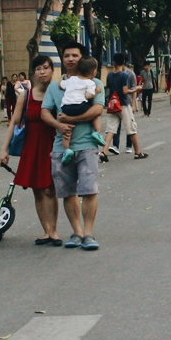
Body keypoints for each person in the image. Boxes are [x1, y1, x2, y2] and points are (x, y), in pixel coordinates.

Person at [43, 41, 106, 250]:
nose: (70, 59)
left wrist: (71, 118)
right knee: (67, 192)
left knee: (89, 190)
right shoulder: (55, 86)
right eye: (66, 55)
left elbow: (97, 109)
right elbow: (45, 112)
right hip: (61, 147)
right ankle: (77, 232)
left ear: (83, 59)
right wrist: (58, 125)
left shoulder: (95, 82)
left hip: (87, 144)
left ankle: (89, 233)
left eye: (75, 55)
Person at [0, 53, 62, 246]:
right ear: (33, 73)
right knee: (38, 190)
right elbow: (13, 123)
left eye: (45, 67)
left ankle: (54, 231)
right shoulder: (25, 96)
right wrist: (4, 150)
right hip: (33, 146)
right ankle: (46, 231)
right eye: (38, 69)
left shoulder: (60, 92)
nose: (42, 72)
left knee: (50, 188)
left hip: (53, 144)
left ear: (52, 70)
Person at [56, 55, 105, 163]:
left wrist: (61, 77)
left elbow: (60, 85)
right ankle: (97, 132)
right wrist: (96, 91)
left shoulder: (71, 79)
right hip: (79, 106)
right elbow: (89, 96)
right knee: (94, 114)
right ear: (93, 71)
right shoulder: (90, 83)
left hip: (66, 107)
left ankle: (67, 150)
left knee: (67, 131)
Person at [104, 54, 146, 159]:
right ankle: (137, 152)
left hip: (113, 105)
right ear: (124, 62)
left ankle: (103, 152)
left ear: (113, 62)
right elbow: (125, 91)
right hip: (123, 104)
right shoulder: (124, 75)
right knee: (131, 128)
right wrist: (135, 89)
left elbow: (109, 89)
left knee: (111, 129)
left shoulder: (109, 75)